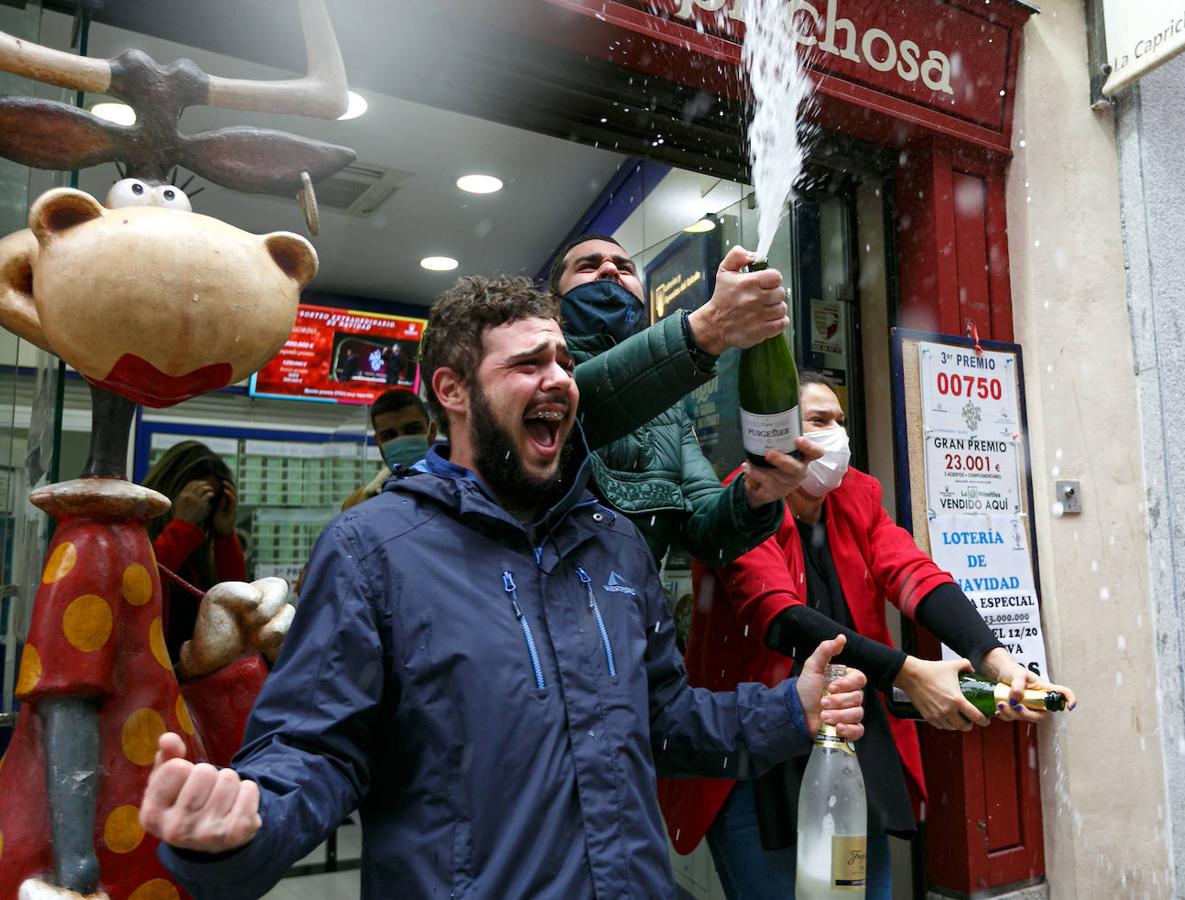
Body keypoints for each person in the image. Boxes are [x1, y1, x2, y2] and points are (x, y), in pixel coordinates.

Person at [139, 276, 869, 899]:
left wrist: (786, 709)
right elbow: (314, 747)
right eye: (527, 363)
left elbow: (666, 722)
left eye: (562, 361)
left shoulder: (613, 545)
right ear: (452, 391)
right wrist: (244, 824)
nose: (557, 379)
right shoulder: (371, 551)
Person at [658, 371, 1078, 900]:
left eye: (840, 421)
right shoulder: (739, 507)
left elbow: (915, 576)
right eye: (819, 421)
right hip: (753, 753)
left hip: (850, 745)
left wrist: (996, 660)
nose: (836, 434)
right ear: (776, 434)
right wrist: (909, 673)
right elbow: (780, 618)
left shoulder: (857, 496)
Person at [552, 233, 816, 569]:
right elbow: (576, 409)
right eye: (588, 266)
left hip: (638, 614)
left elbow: (706, 534)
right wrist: (709, 328)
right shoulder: (544, 368)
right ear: (554, 298)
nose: (609, 269)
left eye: (624, 267)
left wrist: (756, 495)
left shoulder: (670, 409)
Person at [142, 440, 246, 663]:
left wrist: (224, 537)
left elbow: (237, 605)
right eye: (199, 498)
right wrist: (182, 526)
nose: (203, 510)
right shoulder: (137, 533)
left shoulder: (198, 548)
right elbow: (143, 584)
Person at [341, 387, 436, 510]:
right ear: (378, 442)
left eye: (412, 430)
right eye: (389, 436)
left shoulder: (460, 491)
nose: (402, 441)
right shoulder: (356, 505)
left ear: (432, 432)